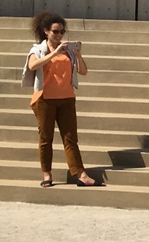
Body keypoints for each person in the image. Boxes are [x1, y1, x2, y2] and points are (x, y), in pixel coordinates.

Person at [22, 11, 101, 187]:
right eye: (55, 31)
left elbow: (83, 71)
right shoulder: (38, 49)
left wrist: (78, 54)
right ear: (46, 31)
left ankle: (80, 174)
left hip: (66, 98)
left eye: (61, 32)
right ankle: (47, 175)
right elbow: (33, 65)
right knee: (45, 138)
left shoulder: (68, 52)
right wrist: (54, 52)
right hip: (45, 99)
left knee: (71, 138)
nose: (59, 35)